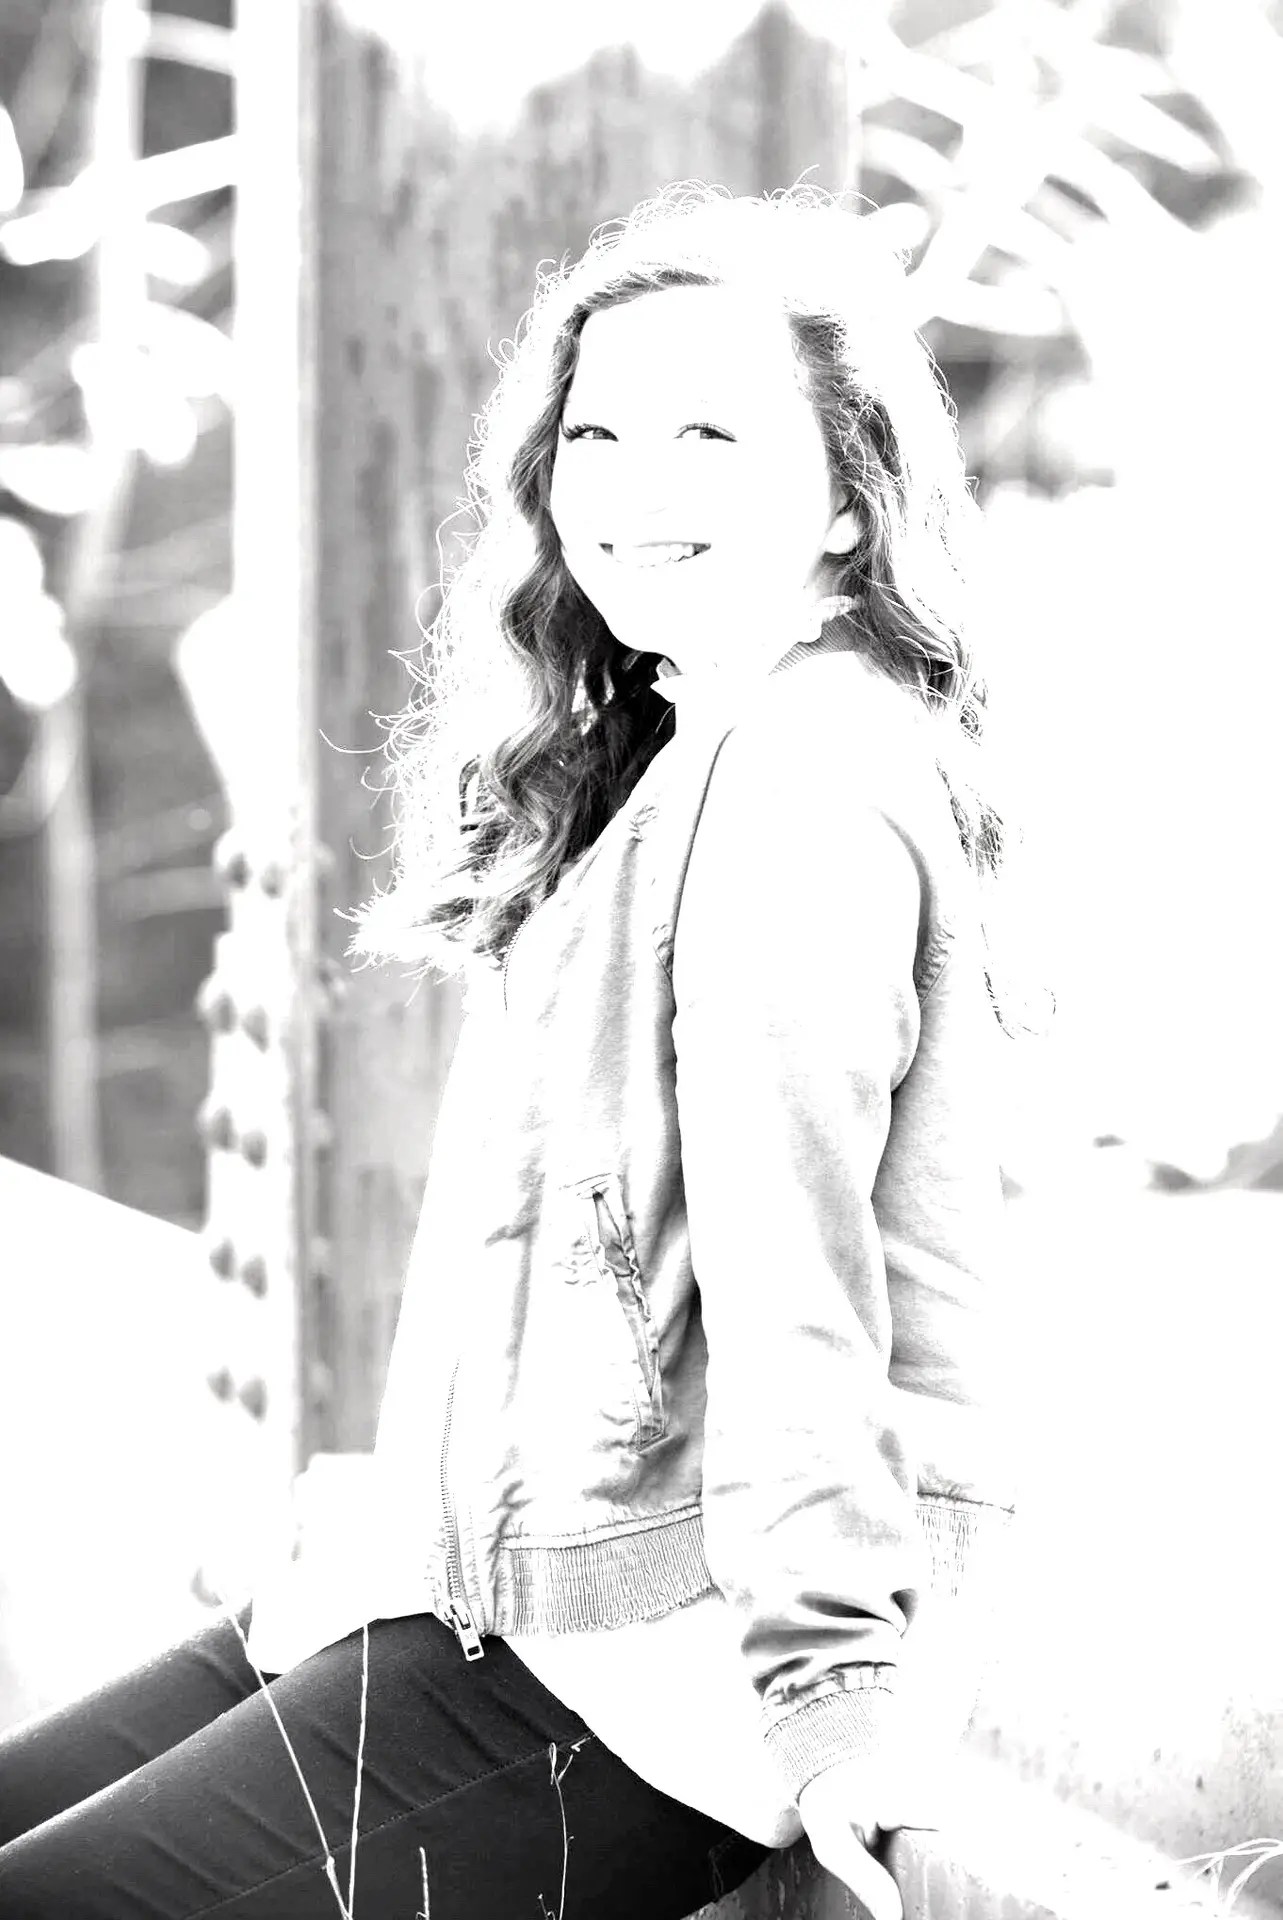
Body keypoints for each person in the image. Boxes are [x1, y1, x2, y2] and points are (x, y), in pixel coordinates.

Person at [0, 180, 1026, 1920]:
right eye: (597, 435)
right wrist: (409, 1524)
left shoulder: (805, 783)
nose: (633, 487)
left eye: (711, 435)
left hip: (660, 1671)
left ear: (852, 500)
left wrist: (834, 1699)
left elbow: (795, 1278)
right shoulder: (694, 749)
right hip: (531, 1588)